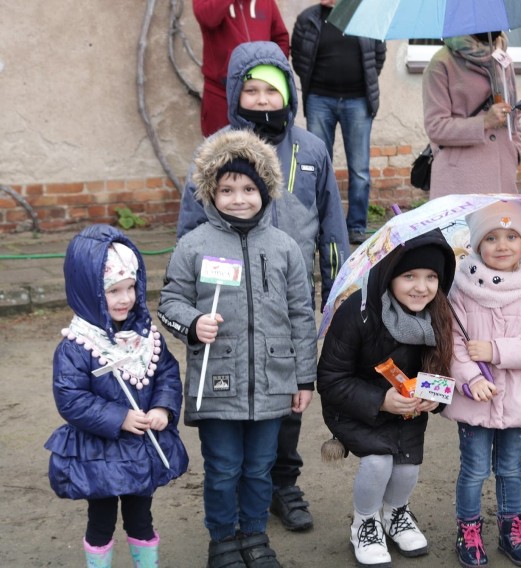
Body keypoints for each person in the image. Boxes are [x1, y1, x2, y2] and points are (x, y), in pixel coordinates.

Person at [177, 40, 350, 533]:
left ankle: (282, 483)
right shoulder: (216, 151)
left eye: (271, 91)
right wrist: (190, 296)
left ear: (288, 94)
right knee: (233, 393)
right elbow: (190, 228)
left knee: (287, 391)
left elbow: (332, 225)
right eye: (250, 91)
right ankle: (231, 487)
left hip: (288, 296)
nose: (262, 100)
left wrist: (334, 291)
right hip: (228, 300)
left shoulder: (312, 148)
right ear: (235, 93)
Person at [159, 129, 318, 567]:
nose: (238, 198)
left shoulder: (285, 248)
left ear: (265, 190)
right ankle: (223, 540)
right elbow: (169, 304)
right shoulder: (193, 245)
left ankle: (253, 535)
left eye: (248, 188)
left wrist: (305, 378)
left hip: (273, 382)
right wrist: (193, 323)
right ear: (211, 192)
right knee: (224, 468)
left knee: (259, 468)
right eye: (227, 189)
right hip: (218, 382)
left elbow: (302, 315)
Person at [44, 225, 189, 568]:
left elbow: (166, 371)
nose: (125, 298)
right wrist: (119, 417)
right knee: (101, 521)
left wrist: (163, 408)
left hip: (141, 448)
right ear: (88, 291)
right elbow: (71, 398)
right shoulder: (77, 345)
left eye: (131, 288)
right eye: (113, 291)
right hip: (101, 453)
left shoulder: (146, 335)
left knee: (141, 517)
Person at [316, 229, 456, 567]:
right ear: (389, 273)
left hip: (408, 408)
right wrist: (380, 400)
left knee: (408, 465)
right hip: (354, 406)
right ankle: (365, 521)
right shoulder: (359, 310)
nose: (421, 286)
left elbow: (441, 367)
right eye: (409, 275)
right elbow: (331, 378)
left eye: (431, 277)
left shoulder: (437, 313)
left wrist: (434, 397)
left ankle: (396, 514)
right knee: (378, 462)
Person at [443, 201, 521, 568]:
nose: (502, 245)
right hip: (476, 399)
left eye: (511, 236)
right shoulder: (460, 290)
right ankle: (469, 528)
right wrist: (471, 378)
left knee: (511, 467)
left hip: (518, 399)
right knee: (474, 468)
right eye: (491, 238)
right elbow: (453, 344)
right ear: (477, 245)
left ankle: (511, 527)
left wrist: (493, 350)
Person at [290, 0, 387, 245]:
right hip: (319, 100)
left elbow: (378, 55)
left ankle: (356, 225)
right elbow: (299, 58)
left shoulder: (365, 16)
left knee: (360, 170)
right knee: (317, 166)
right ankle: (321, 225)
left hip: (358, 101)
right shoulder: (308, 19)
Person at [422, 32, 521, 199]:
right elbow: (436, 126)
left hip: (502, 172)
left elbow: (515, 112)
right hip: (461, 178)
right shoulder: (441, 63)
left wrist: (515, 150)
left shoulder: (503, 59)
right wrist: (484, 122)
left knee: (503, 224)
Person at [193, 0, 291, 137]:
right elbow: (208, 17)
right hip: (221, 94)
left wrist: (273, 72)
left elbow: (281, 38)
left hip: (260, 93)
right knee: (221, 151)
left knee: (265, 150)